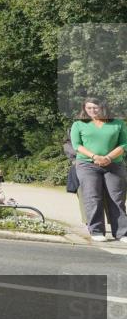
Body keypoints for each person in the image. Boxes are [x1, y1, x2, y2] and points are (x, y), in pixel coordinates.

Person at [71, 97, 127, 243]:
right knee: (92, 197)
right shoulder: (78, 124)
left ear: (103, 107)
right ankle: (96, 230)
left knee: (117, 198)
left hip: (114, 164)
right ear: (84, 109)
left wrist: (108, 158)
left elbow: (124, 143)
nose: (92, 111)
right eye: (88, 108)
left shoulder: (118, 123)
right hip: (87, 164)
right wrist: (95, 156)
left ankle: (122, 233)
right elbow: (77, 145)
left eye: (95, 107)